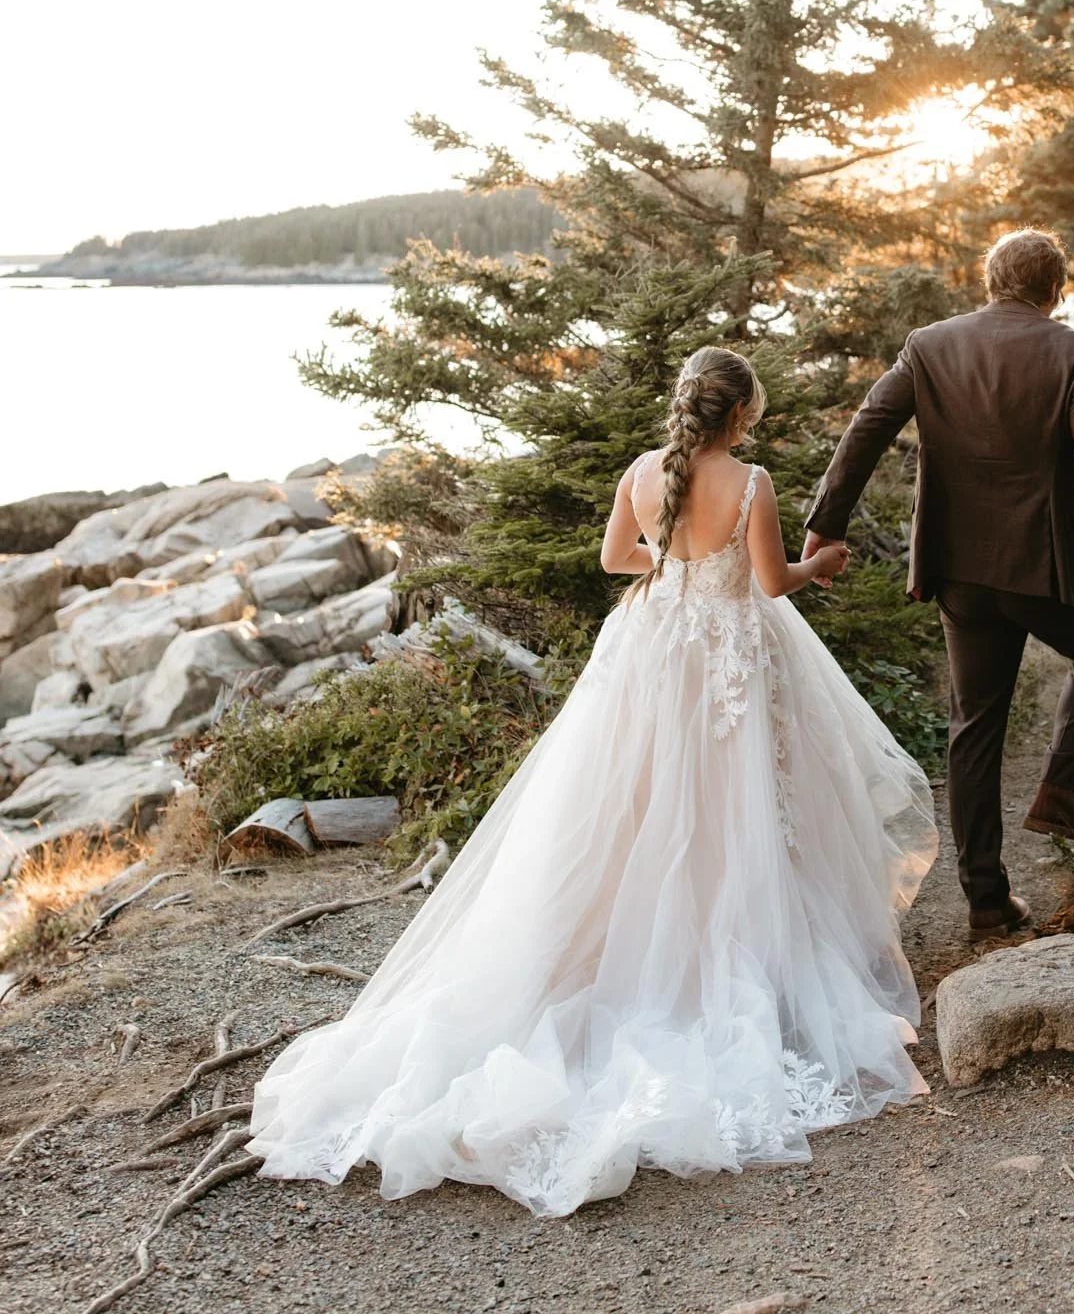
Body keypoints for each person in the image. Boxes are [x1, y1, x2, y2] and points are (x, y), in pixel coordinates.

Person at [249, 346, 937, 1216]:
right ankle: (731, 956)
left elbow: (617, 560)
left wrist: (671, 562)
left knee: (632, 808)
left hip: (654, 651)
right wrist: (818, 568)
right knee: (735, 811)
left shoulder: (645, 471)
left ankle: (628, 945)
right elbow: (771, 582)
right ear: (741, 417)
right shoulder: (752, 483)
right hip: (727, 656)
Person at [803, 228, 1074, 940]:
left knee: (975, 725)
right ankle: (1058, 790)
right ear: (1055, 288)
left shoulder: (930, 344)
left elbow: (868, 426)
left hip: (960, 569)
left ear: (990, 281)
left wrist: (828, 522)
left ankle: (985, 900)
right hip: (1044, 566)